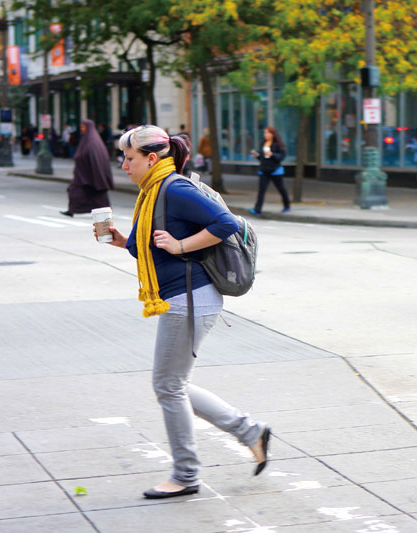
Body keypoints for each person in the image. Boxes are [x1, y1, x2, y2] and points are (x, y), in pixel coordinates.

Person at [94, 125, 271, 499]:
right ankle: (249, 432)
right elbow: (152, 247)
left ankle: (187, 474)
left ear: (152, 158)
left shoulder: (174, 188)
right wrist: (124, 241)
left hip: (191, 299)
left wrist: (181, 245)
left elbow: (226, 224)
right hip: (180, 298)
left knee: (168, 386)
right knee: (172, 384)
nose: (123, 164)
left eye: (129, 158)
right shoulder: (152, 192)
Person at [60, 119, 114, 217]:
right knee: (76, 191)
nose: (81, 129)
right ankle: (72, 210)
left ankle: (104, 211)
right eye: (81, 127)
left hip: (89, 175)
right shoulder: (87, 139)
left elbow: (95, 159)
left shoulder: (92, 142)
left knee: (92, 194)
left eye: (83, 127)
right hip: (83, 174)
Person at [249, 126, 290, 216]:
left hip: (275, 170)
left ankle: (287, 206)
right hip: (264, 170)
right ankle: (257, 210)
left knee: (281, 188)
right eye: (265, 133)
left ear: (273, 134)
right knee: (261, 190)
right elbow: (262, 157)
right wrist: (257, 156)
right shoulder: (263, 143)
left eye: (268, 133)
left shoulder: (277, 144)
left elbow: (281, 157)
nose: (266, 135)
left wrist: (272, 154)